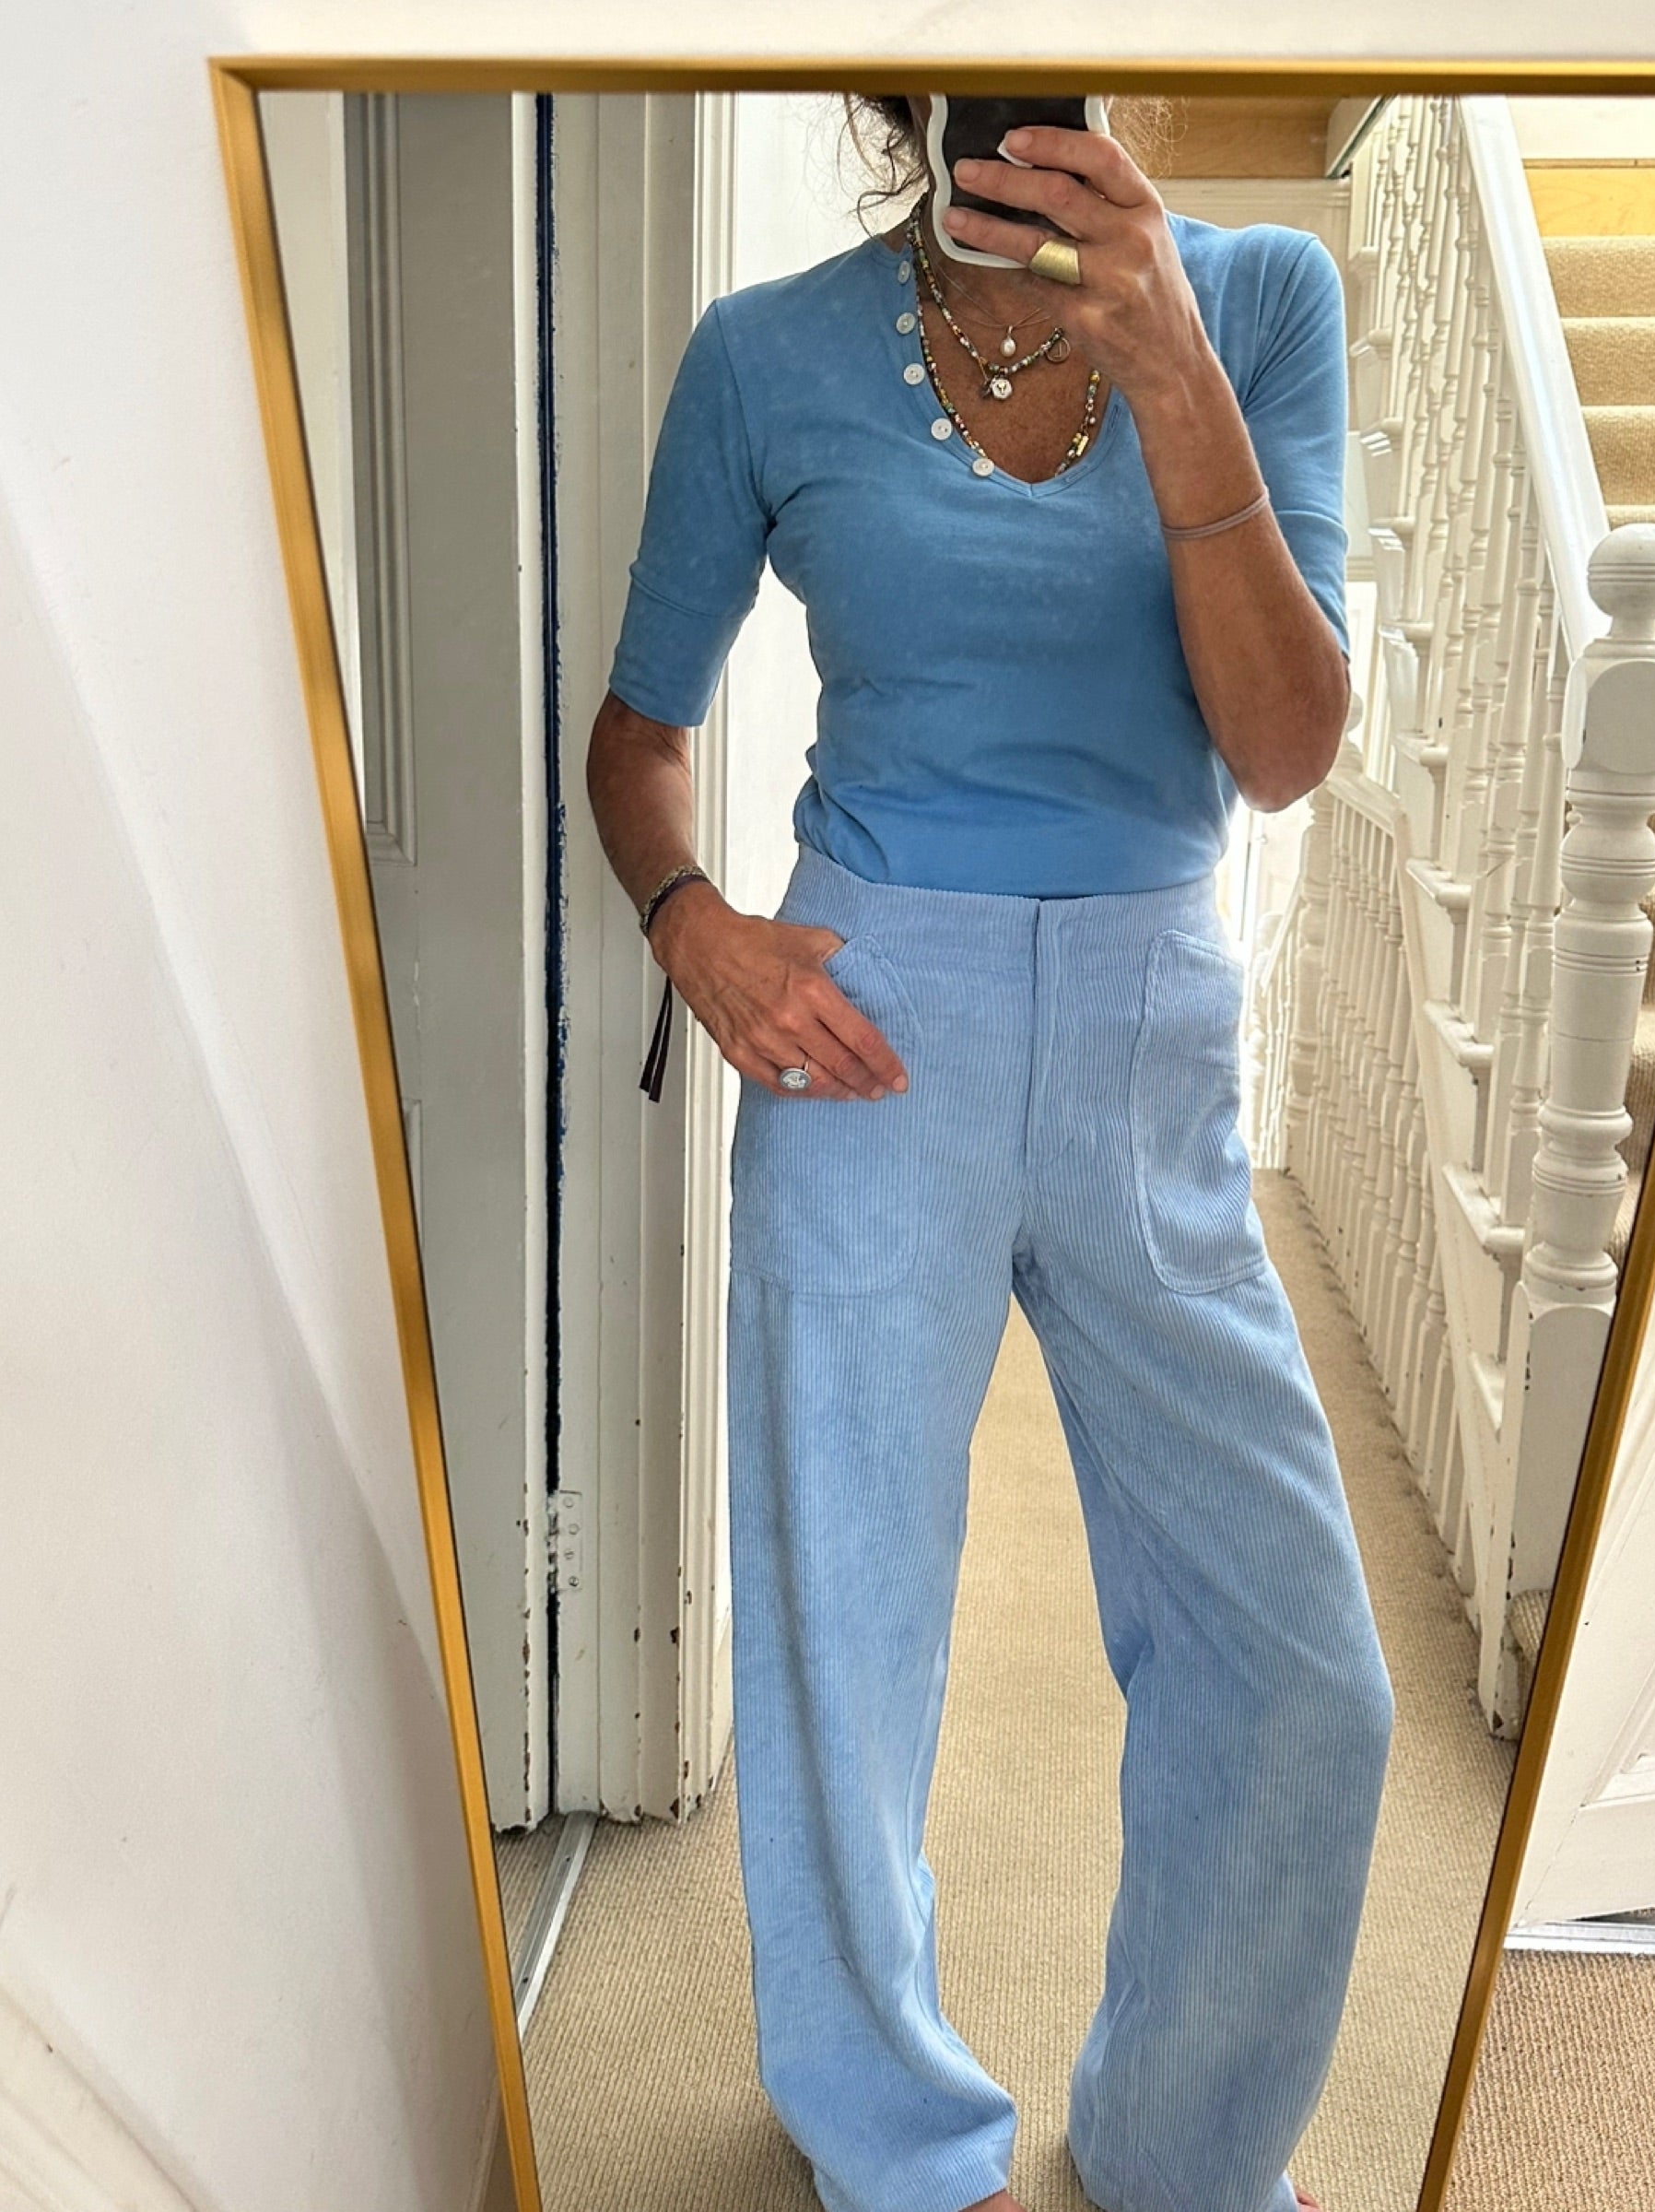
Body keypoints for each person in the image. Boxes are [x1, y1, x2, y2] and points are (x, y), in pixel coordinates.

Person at [585, 91, 1393, 2212]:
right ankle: (899, 2146)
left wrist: (1176, 377)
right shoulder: (764, 351)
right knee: (842, 1634)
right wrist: (695, 927)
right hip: (873, 1021)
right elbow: (639, 734)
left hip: (1148, 1026)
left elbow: (1286, 750)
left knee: (1302, 1665)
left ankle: (1188, 2148)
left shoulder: (1260, 301)